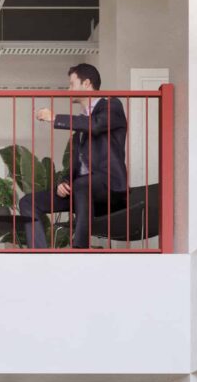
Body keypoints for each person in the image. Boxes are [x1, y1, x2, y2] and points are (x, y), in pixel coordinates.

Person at [27, 64, 127, 249]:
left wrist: (55, 118)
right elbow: (74, 165)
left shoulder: (111, 105)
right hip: (81, 188)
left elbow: (96, 125)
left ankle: (79, 250)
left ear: (87, 83)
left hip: (108, 185)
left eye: (72, 84)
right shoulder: (80, 127)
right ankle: (39, 253)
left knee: (83, 184)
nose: (68, 90)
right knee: (28, 202)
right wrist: (62, 182)